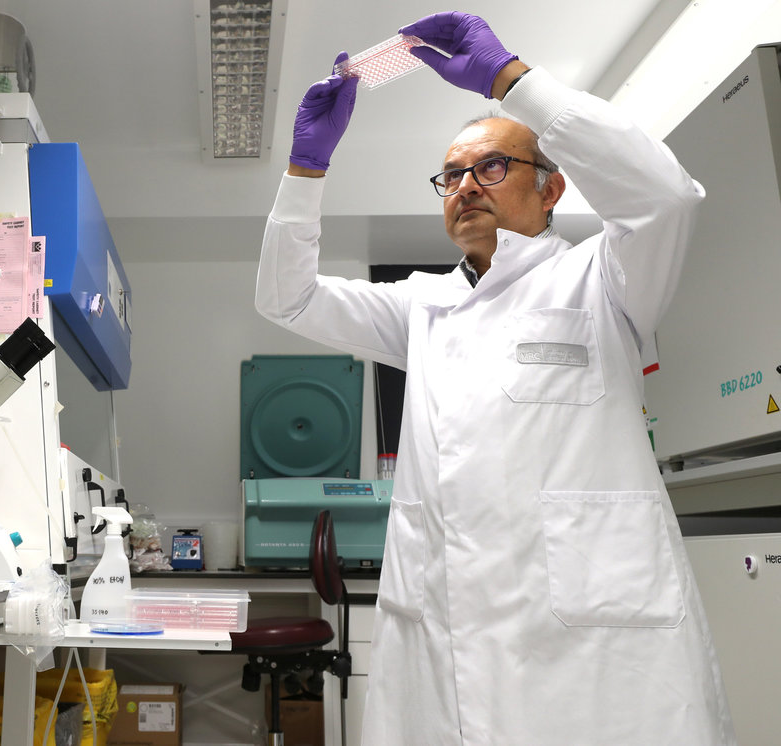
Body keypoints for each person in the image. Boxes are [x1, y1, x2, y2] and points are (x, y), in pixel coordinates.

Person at [255, 11, 735, 745]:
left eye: (491, 167)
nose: (465, 186)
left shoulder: (604, 276)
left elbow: (665, 196)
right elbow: (287, 299)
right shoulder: (422, 305)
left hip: (588, 639)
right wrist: (305, 172)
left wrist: (511, 81)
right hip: (445, 632)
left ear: (551, 189)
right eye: (451, 176)